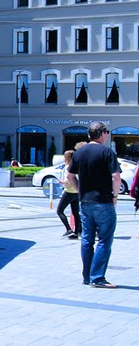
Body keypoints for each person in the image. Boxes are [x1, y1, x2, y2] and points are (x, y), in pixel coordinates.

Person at [66, 122, 121, 289]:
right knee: (104, 239)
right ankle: (97, 277)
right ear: (102, 133)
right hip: (103, 201)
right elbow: (116, 177)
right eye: (107, 132)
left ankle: (87, 276)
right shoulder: (106, 152)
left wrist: (79, 190)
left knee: (87, 239)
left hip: (85, 202)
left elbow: (70, 175)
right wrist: (115, 196)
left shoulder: (80, 152)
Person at [56, 149, 81, 240]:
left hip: (69, 191)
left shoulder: (68, 167)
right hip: (76, 192)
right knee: (75, 212)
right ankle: (77, 231)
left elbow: (68, 180)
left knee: (59, 210)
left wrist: (62, 182)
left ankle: (68, 229)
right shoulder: (77, 166)